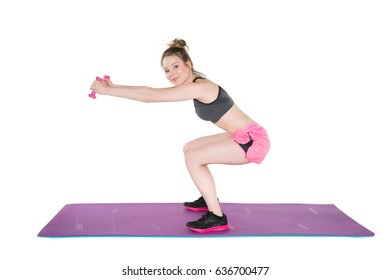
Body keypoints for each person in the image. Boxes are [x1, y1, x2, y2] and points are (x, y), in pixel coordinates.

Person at [90, 38, 270, 233]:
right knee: (190, 148)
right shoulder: (194, 86)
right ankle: (207, 197)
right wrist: (113, 87)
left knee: (194, 158)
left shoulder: (200, 87)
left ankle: (217, 217)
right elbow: (149, 93)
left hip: (253, 141)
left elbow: (149, 96)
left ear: (188, 64)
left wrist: (109, 92)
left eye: (175, 66)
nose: (171, 73)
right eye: (167, 70)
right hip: (244, 135)